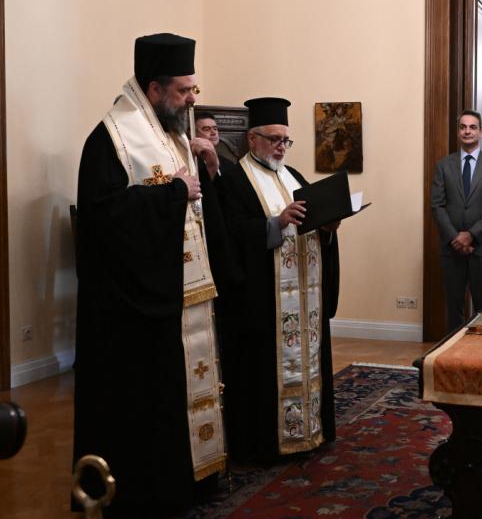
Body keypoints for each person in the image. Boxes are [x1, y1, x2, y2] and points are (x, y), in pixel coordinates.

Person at [72, 33, 230, 516]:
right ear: (154, 89)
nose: (192, 100)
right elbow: (104, 219)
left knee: (177, 397)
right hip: (132, 310)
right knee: (146, 405)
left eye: (193, 89)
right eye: (184, 90)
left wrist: (203, 173)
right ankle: (146, 493)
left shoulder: (171, 135)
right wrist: (173, 194)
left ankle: (189, 479)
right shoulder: (111, 139)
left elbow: (193, 209)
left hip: (177, 296)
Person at [216, 97, 341, 463]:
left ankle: (312, 430)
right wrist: (275, 223)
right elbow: (229, 236)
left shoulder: (294, 176)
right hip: (264, 303)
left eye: (286, 140)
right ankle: (268, 442)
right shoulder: (234, 179)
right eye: (274, 139)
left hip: (306, 300)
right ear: (252, 139)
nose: (281, 147)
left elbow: (314, 225)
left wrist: (328, 229)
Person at [431, 110, 482, 332]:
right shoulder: (443, 166)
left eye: (473, 127)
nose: (467, 131)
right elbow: (437, 205)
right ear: (458, 132)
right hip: (451, 248)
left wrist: (471, 235)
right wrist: (455, 238)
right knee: (453, 308)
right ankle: (453, 350)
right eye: (463, 127)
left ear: (481, 132)